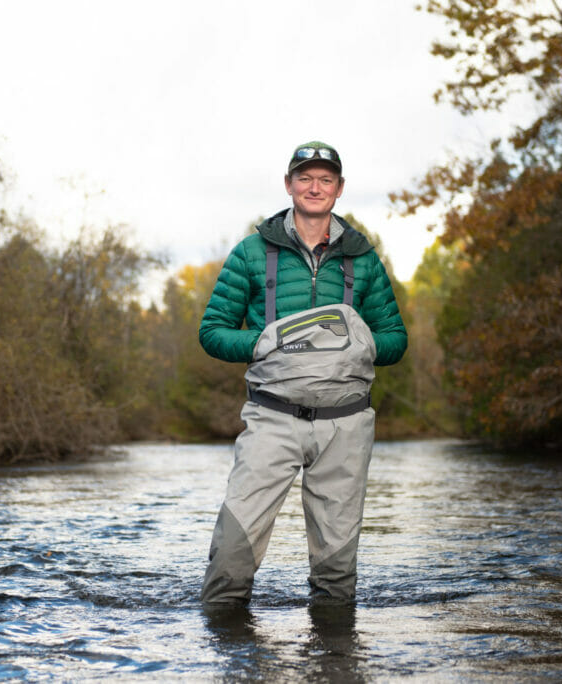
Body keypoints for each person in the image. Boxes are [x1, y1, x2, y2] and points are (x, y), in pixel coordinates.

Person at [198, 141, 408, 605]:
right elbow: (211, 332)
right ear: (289, 184)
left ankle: (334, 662)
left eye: (326, 179)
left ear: (339, 189)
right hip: (273, 417)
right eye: (306, 178)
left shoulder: (362, 256)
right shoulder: (251, 253)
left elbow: (396, 339)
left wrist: (363, 342)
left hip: (346, 422)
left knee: (336, 579)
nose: (315, 187)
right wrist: (262, 341)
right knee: (231, 560)